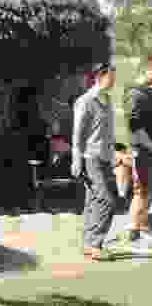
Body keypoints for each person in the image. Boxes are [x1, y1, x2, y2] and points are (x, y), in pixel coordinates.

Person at [72, 62, 118, 262]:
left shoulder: (106, 99)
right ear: (101, 76)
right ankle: (94, 243)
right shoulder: (86, 101)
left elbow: (106, 132)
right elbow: (78, 135)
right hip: (91, 158)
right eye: (112, 76)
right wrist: (76, 160)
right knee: (106, 199)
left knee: (94, 200)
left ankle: (89, 243)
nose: (114, 80)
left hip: (105, 158)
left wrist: (115, 153)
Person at [127, 55, 152, 252]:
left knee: (146, 191)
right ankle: (134, 230)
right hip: (143, 151)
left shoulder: (148, 92)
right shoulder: (135, 93)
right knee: (141, 190)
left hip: (148, 149)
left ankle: (141, 227)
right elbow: (135, 127)